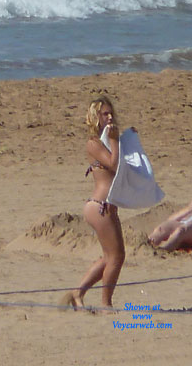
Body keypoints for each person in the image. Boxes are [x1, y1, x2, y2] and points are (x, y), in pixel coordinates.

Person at [62, 96, 125, 312]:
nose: (109, 117)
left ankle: (77, 293)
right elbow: (113, 164)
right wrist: (116, 140)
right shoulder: (94, 143)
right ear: (94, 117)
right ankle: (106, 304)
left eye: (111, 113)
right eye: (104, 113)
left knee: (110, 257)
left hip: (106, 206)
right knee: (116, 257)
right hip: (99, 206)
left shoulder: (106, 142)